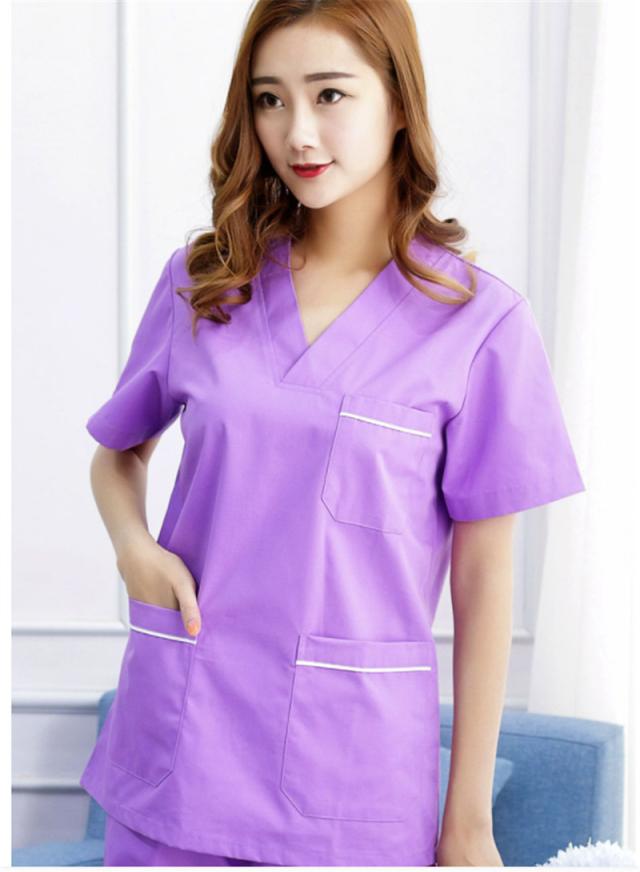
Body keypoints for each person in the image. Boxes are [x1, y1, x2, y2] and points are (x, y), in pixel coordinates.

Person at [79, 0, 586, 867]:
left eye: (330, 94)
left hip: (349, 786)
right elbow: (118, 451)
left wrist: (468, 822)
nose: (298, 132)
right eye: (270, 99)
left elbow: (485, 576)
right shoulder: (205, 283)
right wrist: (133, 546)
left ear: (399, 102)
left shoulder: (481, 325)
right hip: (176, 756)